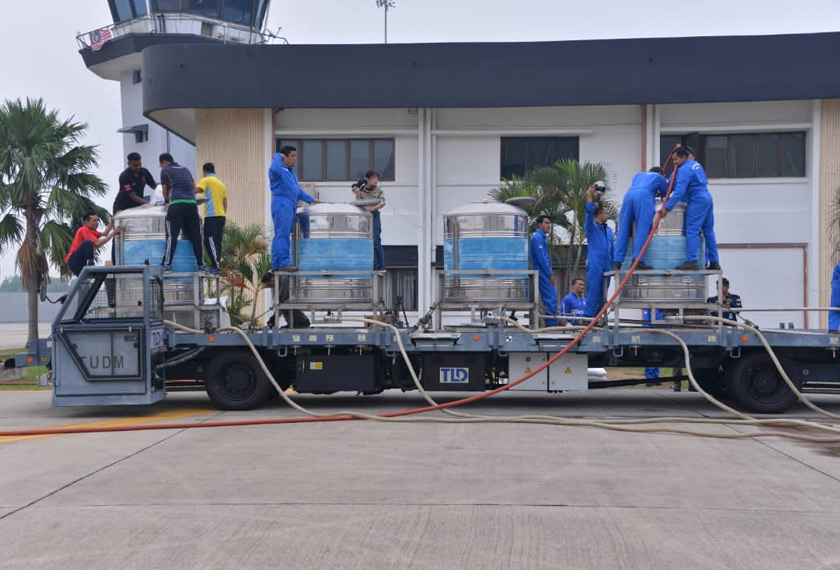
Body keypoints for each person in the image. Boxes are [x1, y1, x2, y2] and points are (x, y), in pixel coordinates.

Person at [663, 147, 720, 271]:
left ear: (684, 157)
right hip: (707, 197)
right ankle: (714, 261)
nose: (674, 162)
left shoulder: (684, 170)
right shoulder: (695, 165)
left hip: (697, 200)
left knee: (692, 230)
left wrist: (667, 207)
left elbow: (679, 191)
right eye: (673, 160)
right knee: (708, 231)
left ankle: (691, 260)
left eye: (676, 159)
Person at [268, 146, 318, 272]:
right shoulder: (278, 170)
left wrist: (311, 199)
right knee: (282, 234)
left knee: (281, 234)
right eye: (292, 156)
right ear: (285, 157)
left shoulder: (291, 173)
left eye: (295, 156)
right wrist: (277, 156)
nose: (295, 159)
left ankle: (276, 263)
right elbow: (273, 169)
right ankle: (283, 262)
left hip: (291, 204)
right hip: (282, 203)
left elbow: (297, 191)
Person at [612, 167, 669, 271]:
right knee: (642, 229)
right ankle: (638, 261)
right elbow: (666, 194)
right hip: (644, 197)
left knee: (623, 228)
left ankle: (617, 262)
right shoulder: (659, 177)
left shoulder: (638, 175)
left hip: (629, 196)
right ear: (662, 174)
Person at [159, 153, 208, 273]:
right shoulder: (186, 169)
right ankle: (201, 264)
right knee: (196, 236)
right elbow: (193, 187)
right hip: (191, 204)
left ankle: (167, 264)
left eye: (160, 164)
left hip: (177, 204)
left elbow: (165, 189)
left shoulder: (165, 171)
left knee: (172, 235)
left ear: (164, 162)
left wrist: (166, 201)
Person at [584, 184, 614, 318]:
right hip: (596, 264)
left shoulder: (608, 230)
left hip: (607, 265)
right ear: (599, 214)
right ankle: (588, 317)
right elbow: (588, 214)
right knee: (594, 291)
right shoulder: (592, 228)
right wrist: (590, 195)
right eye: (606, 212)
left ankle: (599, 317)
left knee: (603, 294)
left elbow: (612, 249)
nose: (608, 215)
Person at [65, 211, 123, 276]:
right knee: (88, 242)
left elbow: (105, 233)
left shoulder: (91, 231)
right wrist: (114, 233)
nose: (97, 223)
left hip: (78, 263)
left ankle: (90, 269)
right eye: (94, 221)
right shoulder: (84, 229)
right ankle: (89, 264)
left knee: (89, 279)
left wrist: (112, 221)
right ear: (86, 222)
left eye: (97, 220)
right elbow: (98, 244)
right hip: (74, 260)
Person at [195, 162, 227, 271]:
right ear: (214, 171)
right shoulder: (221, 184)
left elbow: (197, 190)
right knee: (217, 242)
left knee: (209, 240)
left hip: (211, 215)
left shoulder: (206, 180)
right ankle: (217, 263)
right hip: (221, 215)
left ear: (204, 171)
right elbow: (224, 201)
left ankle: (216, 264)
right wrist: (223, 213)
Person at [353, 170, 386, 269]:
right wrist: (357, 192)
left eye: (377, 178)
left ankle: (381, 265)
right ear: (367, 179)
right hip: (364, 216)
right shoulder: (362, 189)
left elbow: (382, 203)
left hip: (374, 215)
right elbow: (359, 202)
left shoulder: (378, 190)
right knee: (366, 240)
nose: (376, 181)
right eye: (373, 178)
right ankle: (371, 264)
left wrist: (373, 209)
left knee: (376, 240)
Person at [530, 215, 557, 326]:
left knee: (551, 297)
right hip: (541, 272)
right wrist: (550, 273)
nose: (548, 225)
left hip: (543, 271)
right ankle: (551, 323)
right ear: (539, 225)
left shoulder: (542, 238)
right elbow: (541, 258)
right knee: (550, 297)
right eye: (546, 223)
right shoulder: (538, 238)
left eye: (549, 223)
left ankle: (552, 321)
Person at [831, 261, 840, 333]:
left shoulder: (837, 266)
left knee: (834, 309)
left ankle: (833, 329)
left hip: (836, 290)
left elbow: (833, 280)